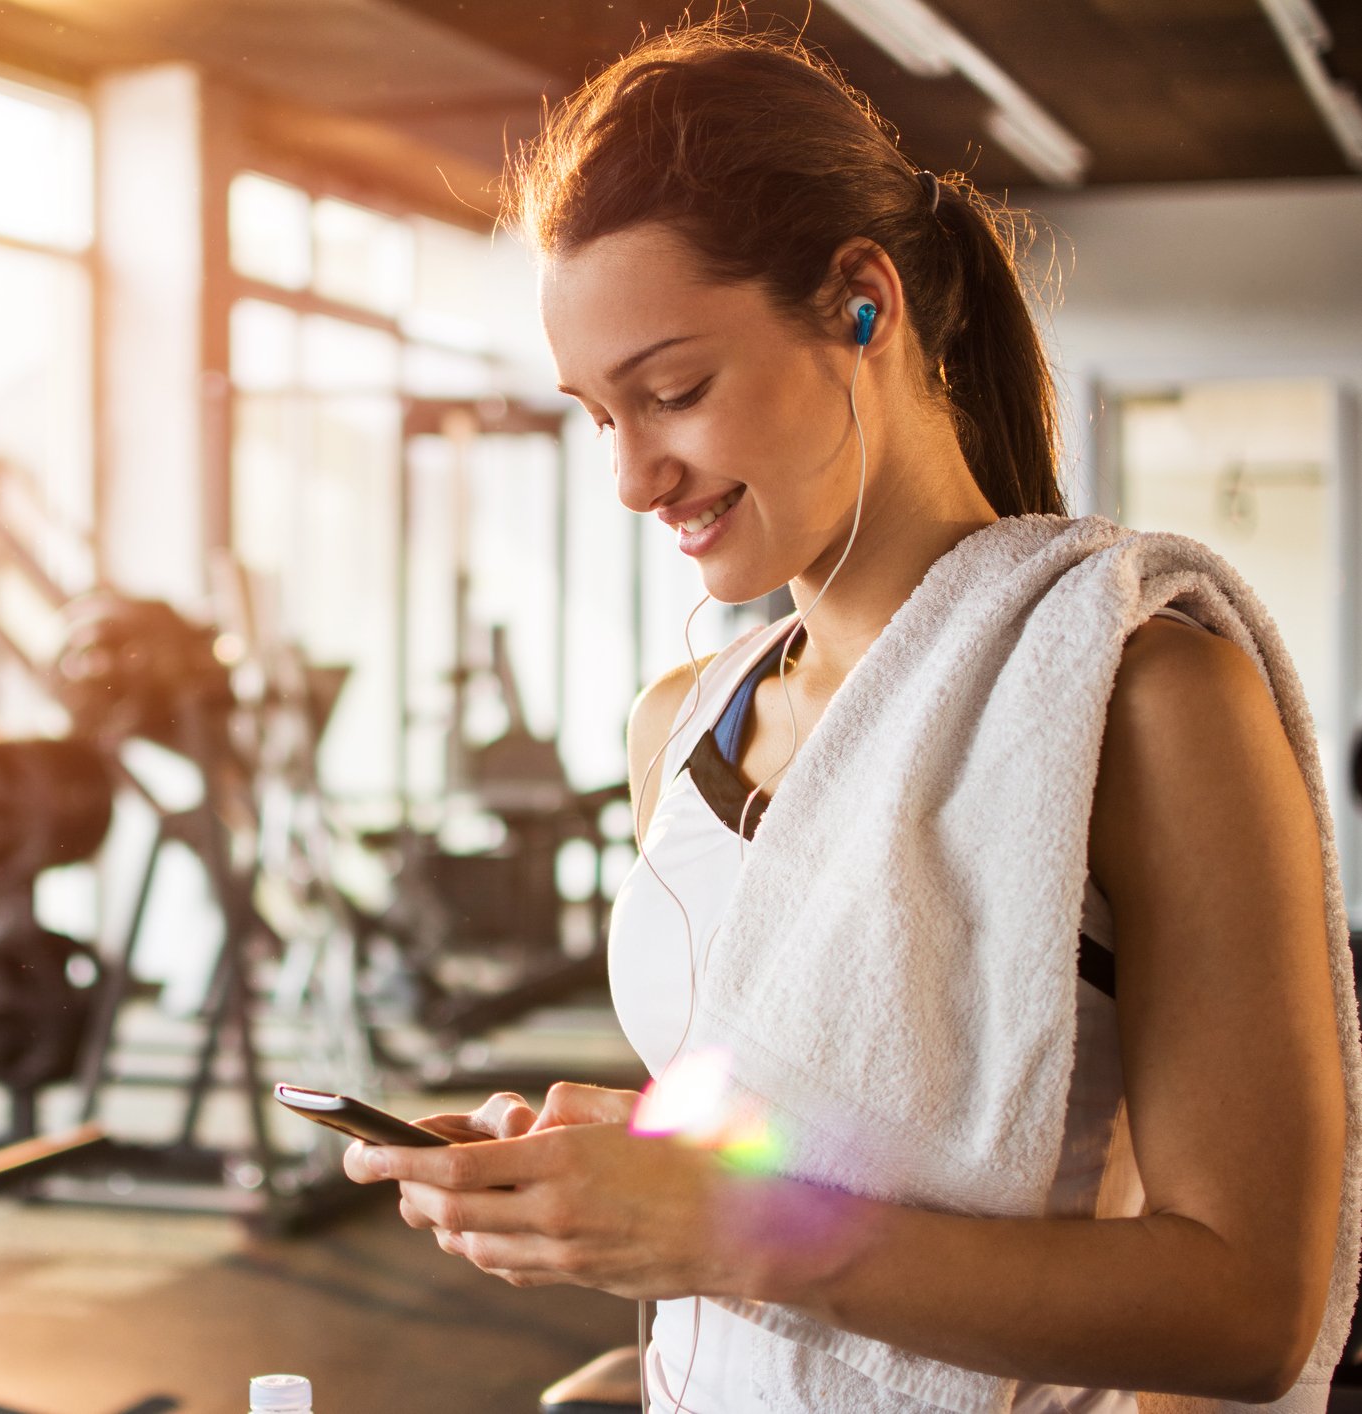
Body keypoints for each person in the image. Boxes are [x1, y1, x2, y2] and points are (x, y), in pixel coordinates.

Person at [343, 20, 1353, 1412]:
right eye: (594, 413)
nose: (633, 475)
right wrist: (598, 1168)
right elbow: (786, 1128)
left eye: (673, 390)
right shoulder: (679, 729)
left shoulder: (1140, 701)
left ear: (861, 304)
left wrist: (719, 1226)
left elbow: (1249, 1307)